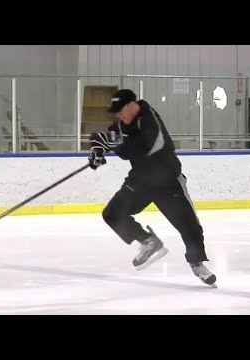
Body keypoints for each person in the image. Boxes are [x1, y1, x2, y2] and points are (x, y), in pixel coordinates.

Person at [88, 88, 216, 287]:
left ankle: (196, 262)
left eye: (121, 110)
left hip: (167, 182)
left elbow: (145, 148)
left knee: (190, 227)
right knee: (112, 214)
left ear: (133, 105)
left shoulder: (150, 119)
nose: (119, 115)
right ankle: (148, 241)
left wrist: (114, 145)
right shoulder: (123, 123)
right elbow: (105, 137)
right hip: (140, 181)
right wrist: (98, 149)